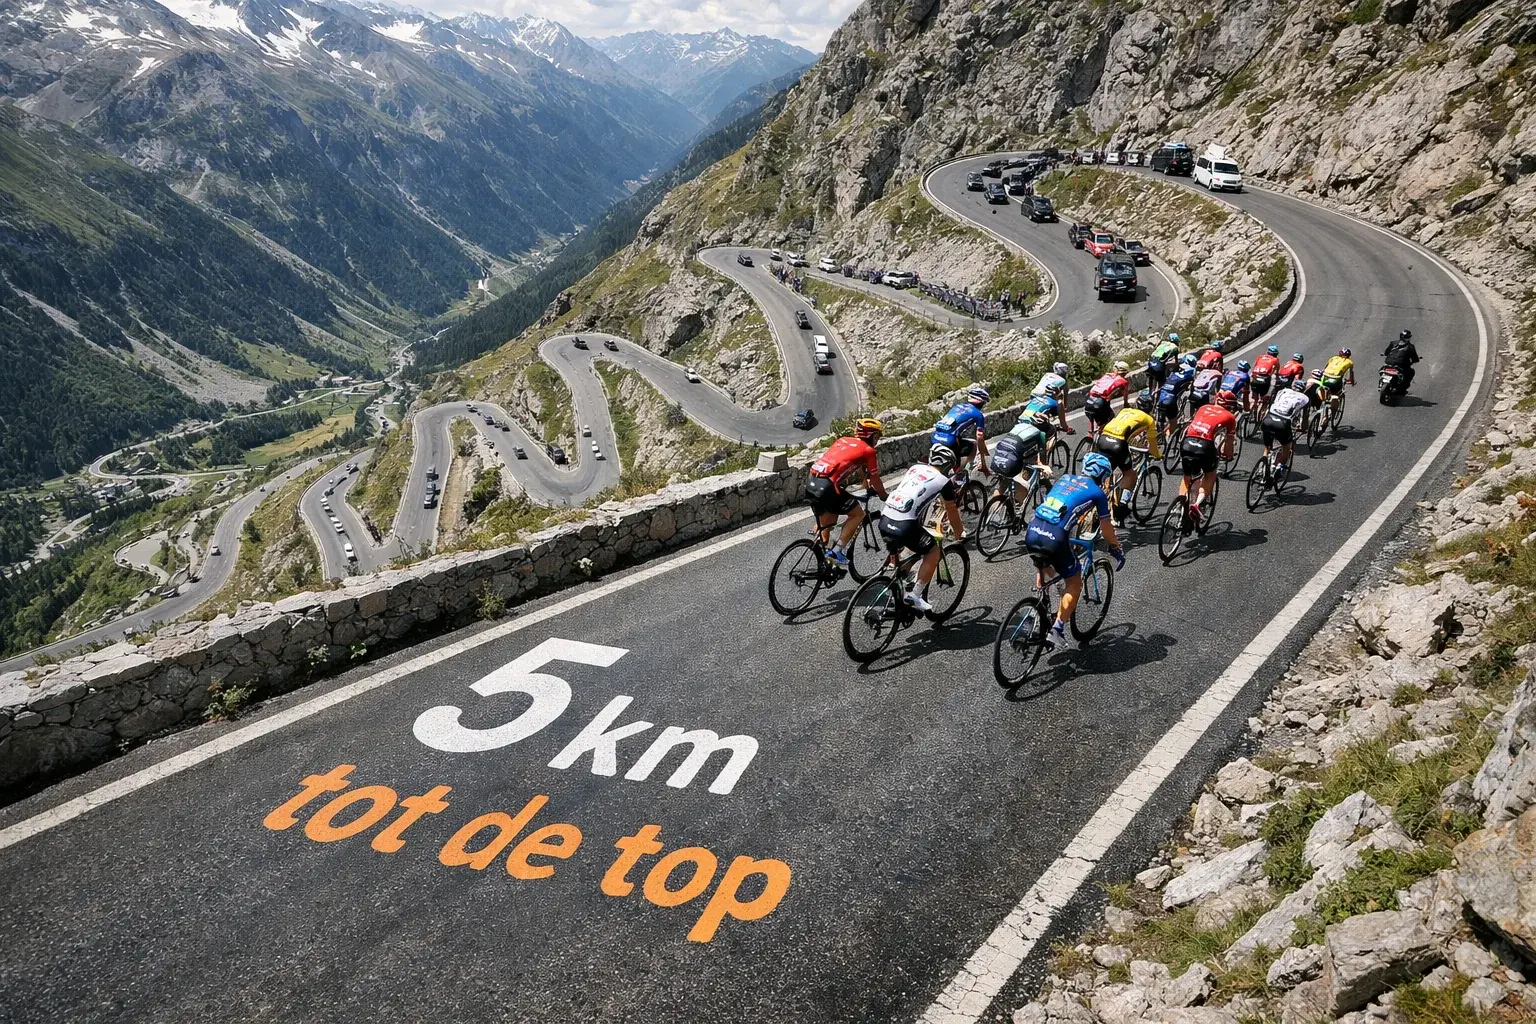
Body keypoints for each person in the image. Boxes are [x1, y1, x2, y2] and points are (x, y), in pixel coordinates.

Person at [1023, 453, 1125, 650]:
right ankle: (1057, 630)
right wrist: (1116, 547)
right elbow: (1106, 529)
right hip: (1055, 537)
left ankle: (1038, 609)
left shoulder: (1065, 478)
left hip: (1033, 530)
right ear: (1103, 475)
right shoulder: (1097, 492)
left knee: (1044, 564)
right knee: (1074, 584)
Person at [878, 444, 967, 613]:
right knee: (933, 551)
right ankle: (915, 594)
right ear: (947, 465)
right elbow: (952, 511)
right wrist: (959, 533)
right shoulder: (944, 481)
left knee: (913, 543)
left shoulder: (915, 468)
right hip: (904, 525)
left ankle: (900, 578)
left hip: (885, 519)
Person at [804, 419, 889, 567]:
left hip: (811, 481)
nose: (877, 441)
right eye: (876, 437)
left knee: (829, 522)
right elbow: (875, 478)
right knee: (858, 514)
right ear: (870, 435)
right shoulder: (869, 451)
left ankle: (821, 558)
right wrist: (883, 496)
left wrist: (866, 486)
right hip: (827, 487)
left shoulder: (843, 440)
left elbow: (861, 469)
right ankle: (837, 552)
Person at [1097, 391, 1163, 525]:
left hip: (1103, 439)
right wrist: (1158, 455)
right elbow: (1152, 446)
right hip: (1118, 444)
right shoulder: (1149, 420)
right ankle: (1121, 506)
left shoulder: (1125, 410)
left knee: (1107, 472)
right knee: (1130, 475)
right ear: (1151, 407)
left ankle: (1101, 500)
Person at [1179, 390, 1238, 521]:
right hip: (1205, 445)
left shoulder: (1203, 407)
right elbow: (1229, 443)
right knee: (1209, 476)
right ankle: (1197, 504)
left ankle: (1181, 508)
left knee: (1187, 476)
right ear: (1230, 406)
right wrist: (1228, 456)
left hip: (1187, 442)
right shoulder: (1230, 417)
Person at [989, 415, 1053, 500]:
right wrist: (1044, 468)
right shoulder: (1041, 434)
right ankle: (1017, 505)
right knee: (1022, 484)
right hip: (1011, 460)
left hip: (998, 454)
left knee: (1004, 484)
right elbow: (1042, 460)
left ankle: (994, 507)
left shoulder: (1020, 426)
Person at [932, 384, 991, 472]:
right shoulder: (978, 414)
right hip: (950, 441)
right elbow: (979, 437)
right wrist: (983, 463)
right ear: (981, 402)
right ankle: (965, 470)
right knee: (974, 444)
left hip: (935, 437)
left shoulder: (957, 406)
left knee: (959, 439)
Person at [1261, 381, 1311, 476]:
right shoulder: (1305, 398)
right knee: (1287, 447)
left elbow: (1273, 403)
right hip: (1283, 423)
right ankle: (1279, 467)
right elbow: (1305, 417)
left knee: (1267, 447)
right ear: (1303, 390)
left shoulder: (1283, 391)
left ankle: (1262, 464)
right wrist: (1304, 428)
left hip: (1268, 419)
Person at [1084, 361, 1133, 431]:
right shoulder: (1123, 381)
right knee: (1111, 417)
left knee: (1092, 416)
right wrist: (1126, 404)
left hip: (1089, 399)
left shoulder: (1107, 375)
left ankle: (1091, 434)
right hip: (1100, 402)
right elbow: (1125, 395)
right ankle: (1100, 432)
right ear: (1125, 372)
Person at [1157, 354, 1198, 428]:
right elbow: (1193, 388)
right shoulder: (1189, 375)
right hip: (1171, 400)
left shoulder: (1173, 374)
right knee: (1173, 424)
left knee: (1160, 424)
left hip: (1162, 396)